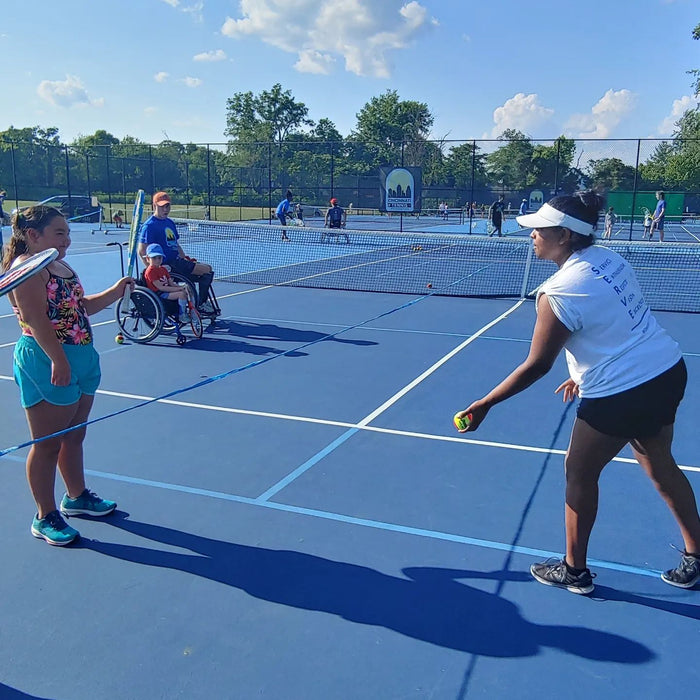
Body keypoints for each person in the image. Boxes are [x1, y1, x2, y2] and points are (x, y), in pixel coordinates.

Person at [455, 191, 700, 594]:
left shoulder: (557, 294)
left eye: (539, 229)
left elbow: (536, 365)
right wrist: (583, 373)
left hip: (622, 394)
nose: (531, 234)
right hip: (667, 372)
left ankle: (574, 572)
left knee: (579, 473)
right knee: (660, 463)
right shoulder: (610, 259)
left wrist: (485, 404)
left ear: (565, 236)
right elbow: (617, 323)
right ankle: (697, 554)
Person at [4, 206, 135, 545]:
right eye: (59, 233)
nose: (67, 239)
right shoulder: (28, 270)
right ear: (33, 235)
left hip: (83, 358)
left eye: (67, 233)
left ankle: (76, 496)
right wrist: (59, 362)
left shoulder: (57, 264)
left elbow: (80, 307)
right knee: (47, 445)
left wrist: (115, 291)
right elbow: (36, 320)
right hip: (46, 360)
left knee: (74, 436)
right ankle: (44, 515)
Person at [138, 191, 215, 313]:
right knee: (206, 270)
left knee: (206, 271)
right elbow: (142, 250)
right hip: (169, 265)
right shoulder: (149, 226)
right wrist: (155, 269)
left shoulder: (169, 223)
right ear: (154, 206)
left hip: (178, 262)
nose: (165, 209)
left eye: (167, 206)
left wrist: (184, 258)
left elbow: (175, 245)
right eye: (162, 206)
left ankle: (198, 303)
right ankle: (201, 304)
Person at [143, 243, 190, 323]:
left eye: (159, 258)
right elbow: (161, 288)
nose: (157, 260)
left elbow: (171, 283)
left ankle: (192, 309)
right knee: (181, 294)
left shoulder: (163, 269)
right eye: (154, 258)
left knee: (188, 288)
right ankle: (182, 314)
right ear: (148, 259)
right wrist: (179, 289)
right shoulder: (150, 272)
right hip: (159, 294)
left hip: (166, 291)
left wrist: (182, 287)